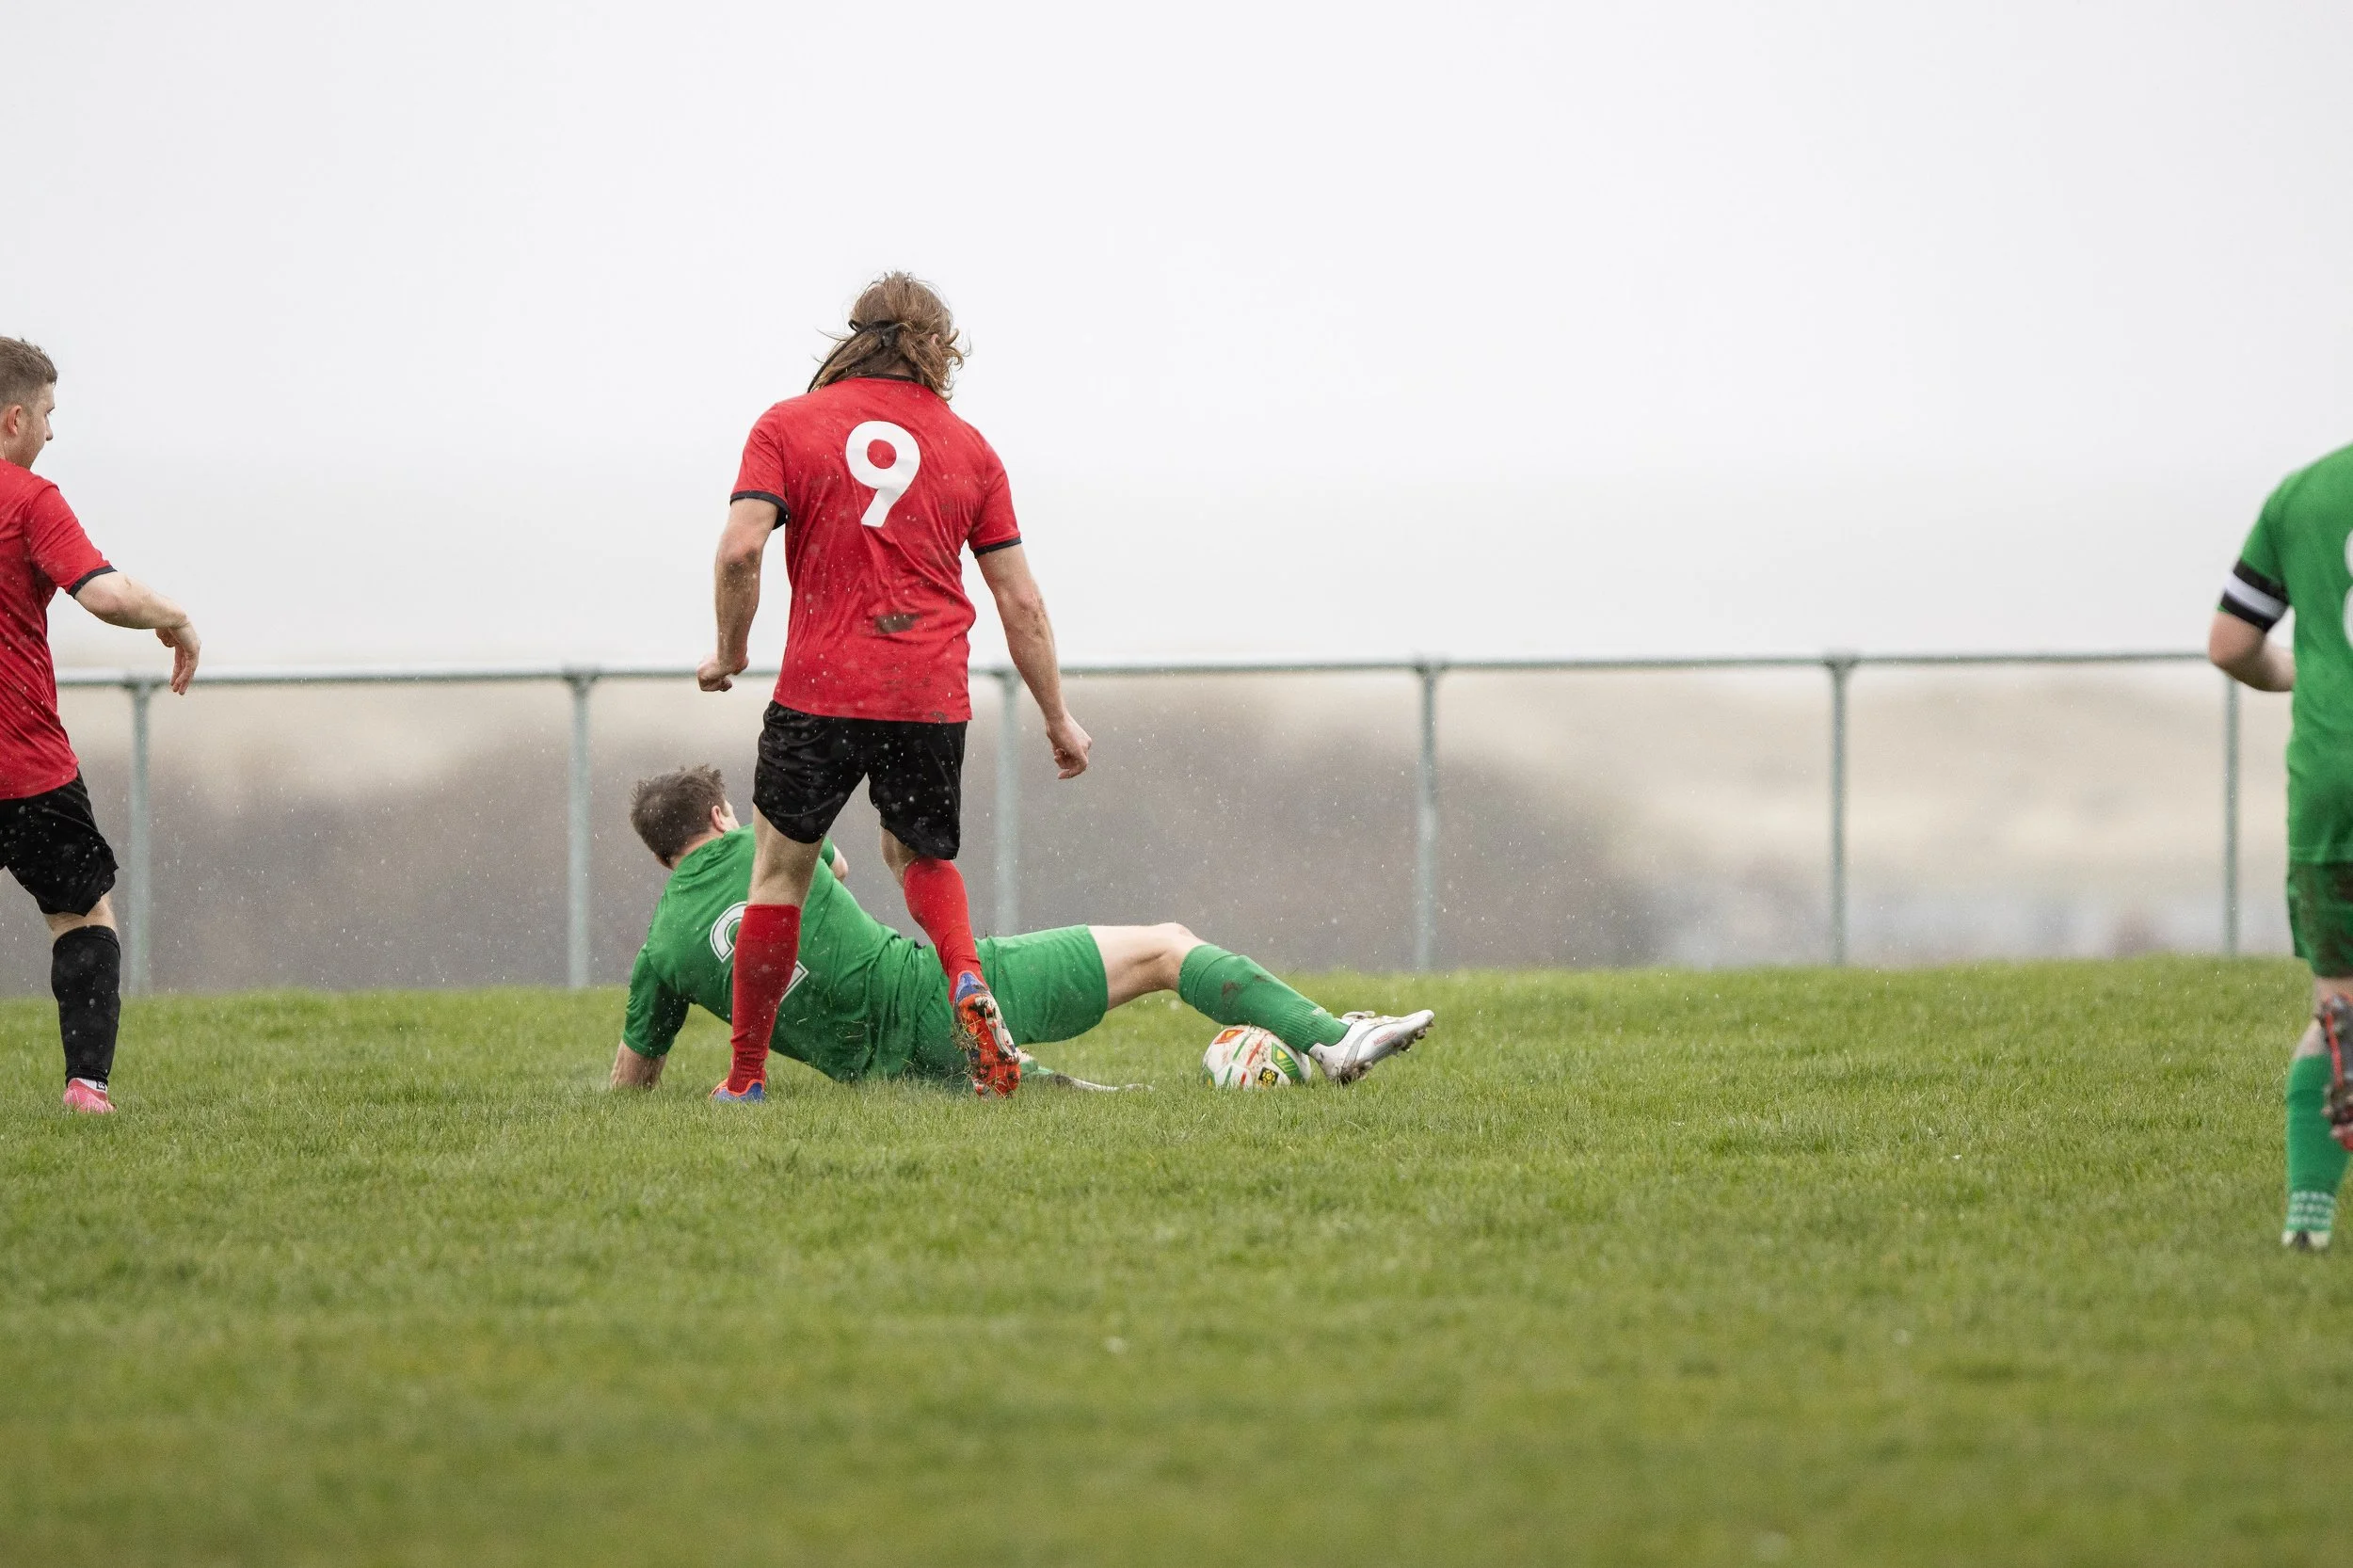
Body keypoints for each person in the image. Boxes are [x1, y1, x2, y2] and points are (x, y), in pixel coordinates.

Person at [696, 274, 1090, 1104]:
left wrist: (730, 651)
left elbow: (740, 551)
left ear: (851, 336)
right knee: (919, 853)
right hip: (928, 690)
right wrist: (1057, 716)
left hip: (821, 687)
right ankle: (967, 982)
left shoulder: (786, 425)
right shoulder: (971, 448)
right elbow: (1019, 598)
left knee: (780, 872)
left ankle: (745, 1078)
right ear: (938, 351)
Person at [607, 766, 1434, 1095]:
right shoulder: (768, 843)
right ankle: (1333, 1041)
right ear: (720, 815)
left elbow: (632, 1080)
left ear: (659, 857)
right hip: (925, 988)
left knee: (1093, 1109)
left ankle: (1029, 1077)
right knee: (1164, 946)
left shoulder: (661, 950)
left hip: (879, 1079)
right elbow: (842, 874)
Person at [0, 338, 201, 1114]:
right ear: (15, 418)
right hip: (27, 768)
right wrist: (178, 618)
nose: (52, 432)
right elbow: (106, 597)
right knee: (79, 916)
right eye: (48, 415)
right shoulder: (29, 500)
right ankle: (86, 1087)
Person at [2209, 441, 2353, 1248]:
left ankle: (2308, 1223)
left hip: (2334, 784)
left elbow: (2232, 644)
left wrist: (2317, 672)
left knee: (2340, 1006)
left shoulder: (2303, 494)